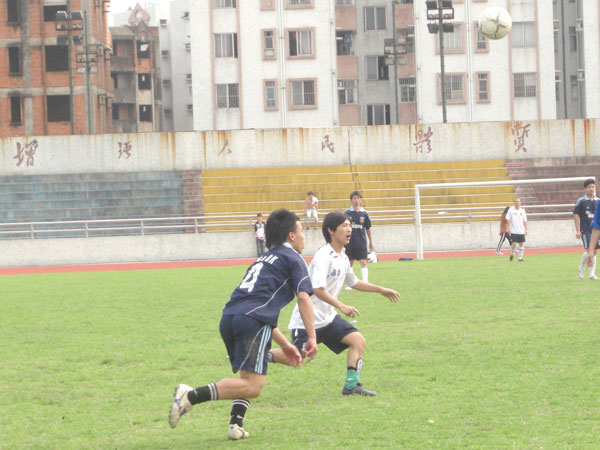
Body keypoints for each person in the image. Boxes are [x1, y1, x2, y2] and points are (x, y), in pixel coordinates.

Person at [168, 208, 317, 440]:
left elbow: (256, 308)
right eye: (301, 231)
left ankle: (235, 424)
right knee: (253, 387)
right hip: (251, 321)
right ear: (291, 235)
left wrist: (286, 345)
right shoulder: (293, 258)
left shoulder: (263, 259)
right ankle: (190, 396)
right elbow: (304, 297)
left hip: (231, 317)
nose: (303, 237)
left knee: (248, 378)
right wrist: (312, 337)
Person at [268, 211, 399, 396]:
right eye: (344, 225)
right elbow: (317, 289)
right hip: (308, 321)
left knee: (358, 341)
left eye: (350, 225)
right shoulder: (323, 256)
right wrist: (341, 306)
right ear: (331, 230)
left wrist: (380, 290)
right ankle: (262, 355)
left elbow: (354, 282)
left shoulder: (343, 257)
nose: (349, 229)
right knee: (295, 357)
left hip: (328, 319)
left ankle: (351, 386)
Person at [345, 191, 373, 285]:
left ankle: (365, 282)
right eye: (354, 198)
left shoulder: (365, 213)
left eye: (358, 198)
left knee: (363, 262)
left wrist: (371, 241)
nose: (356, 200)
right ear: (351, 200)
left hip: (361, 241)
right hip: (350, 242)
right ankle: (350, 284)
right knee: (350, 263)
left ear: (361, 200)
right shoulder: (347, 213)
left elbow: (368, 228)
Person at [574, 179, 599, 280]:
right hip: (585, 230)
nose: (591, 189)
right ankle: (587, 271)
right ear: (585, 189)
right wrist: (578, 230)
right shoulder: (581, 201)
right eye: (589, 187)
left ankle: (588, 271)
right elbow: (576, 215)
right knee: (589, 250)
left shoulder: (598, 201)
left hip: (595, 230)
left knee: (594, 251)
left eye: (593, 187)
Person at [505, 197, 528, 262]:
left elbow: (525, 221)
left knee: (521, 244)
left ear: (520, 203)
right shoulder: (511, 210)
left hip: (521, 230)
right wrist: (508, 228)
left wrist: (526, 229)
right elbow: (508, 220)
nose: (517, 203)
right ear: (514, 203)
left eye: (518, 201)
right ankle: (512, 253)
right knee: (514, 244)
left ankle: (520, 258)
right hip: (513, 230)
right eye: (516, 201)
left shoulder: (522, 211)